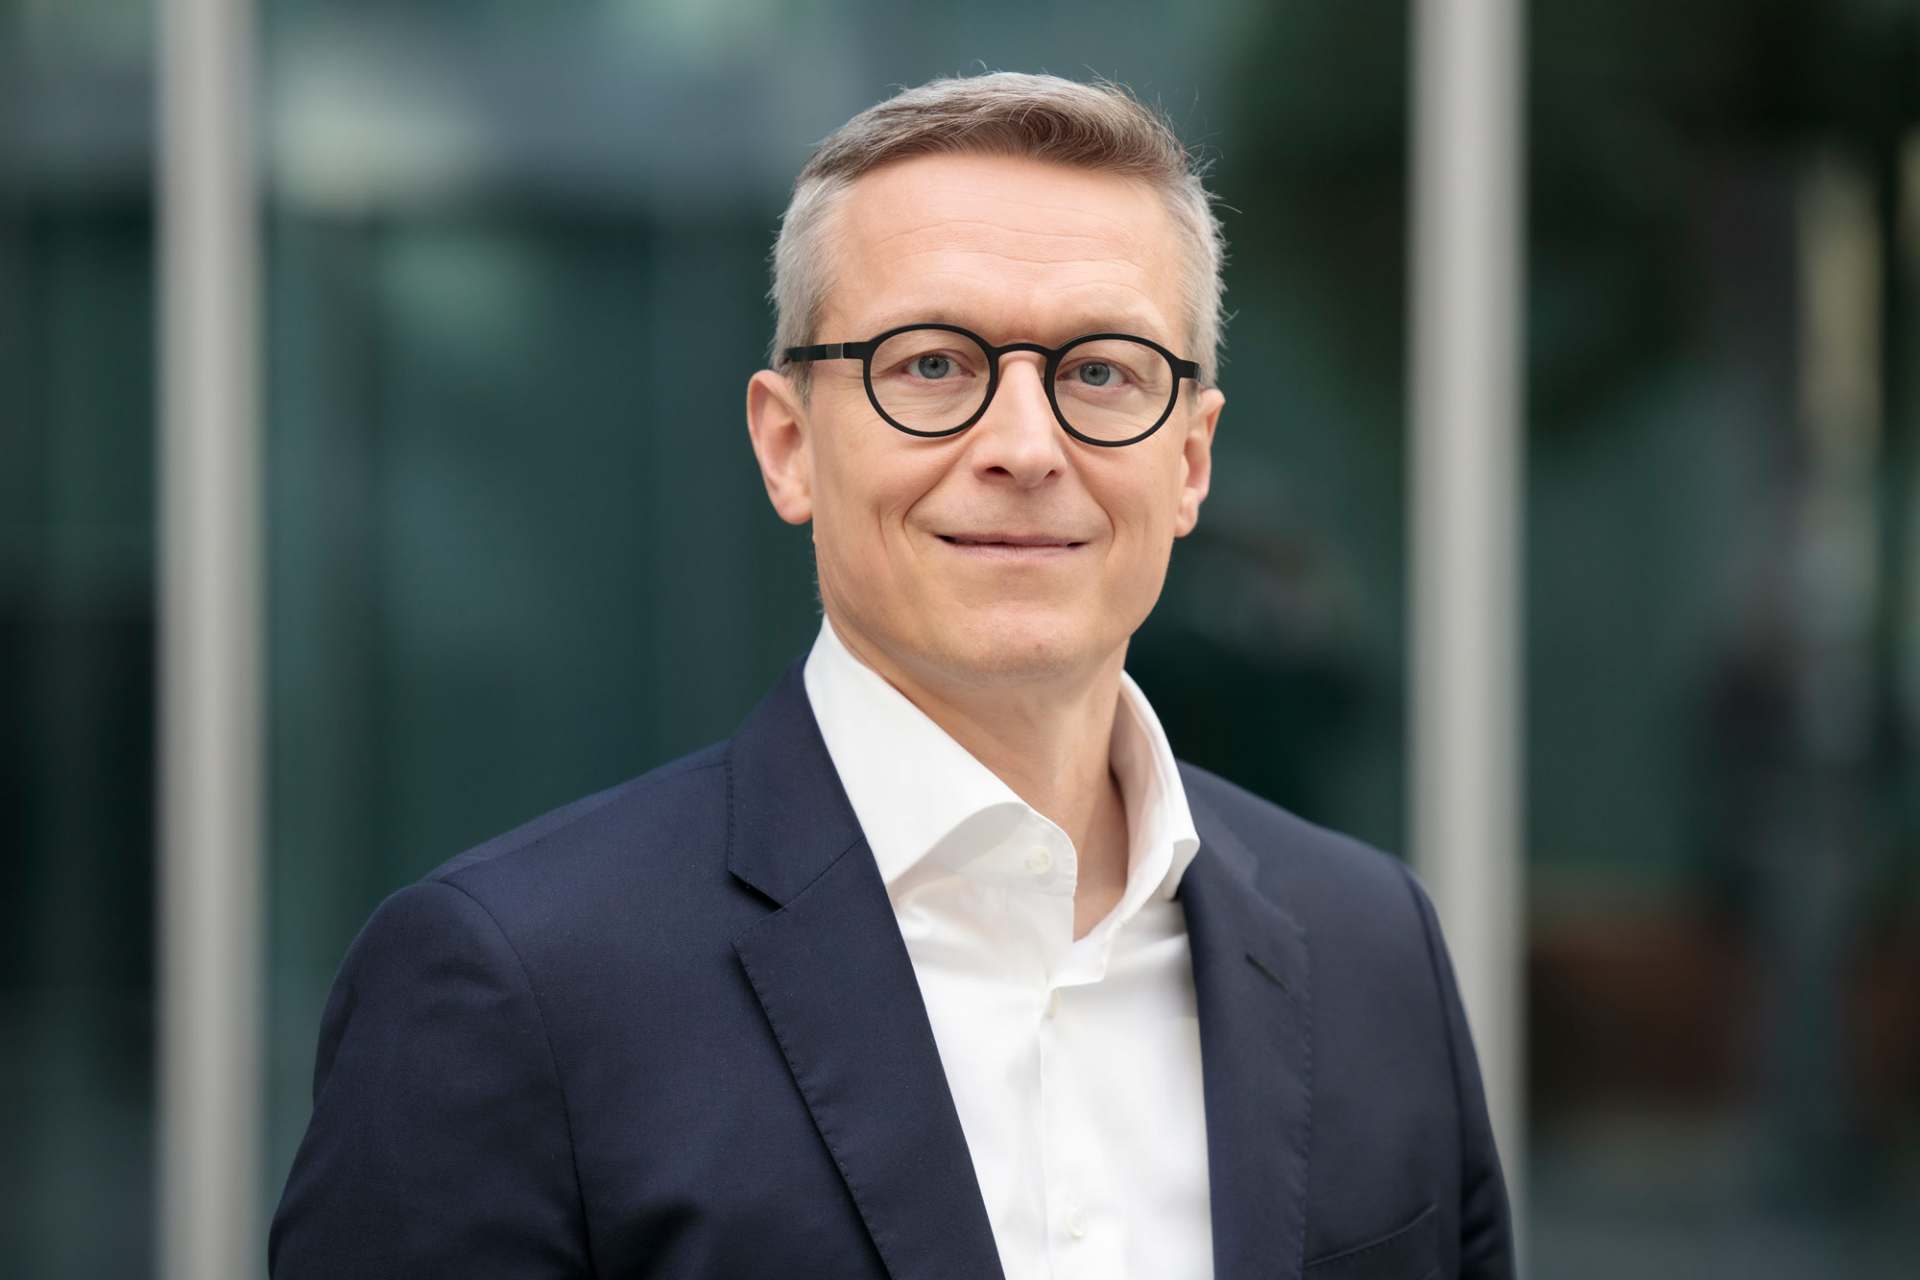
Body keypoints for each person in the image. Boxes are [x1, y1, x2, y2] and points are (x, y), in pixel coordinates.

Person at [270, 72, 1513, 1280]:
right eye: (931, 365)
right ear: (788, 445)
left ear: (1189, 461)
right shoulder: (513, 987)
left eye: (1101, 371)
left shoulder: (1373, 948)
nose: (1026, 446)